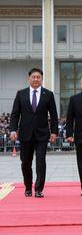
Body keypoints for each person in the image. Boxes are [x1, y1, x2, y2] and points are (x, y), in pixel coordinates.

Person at [9, 68, 58, 198]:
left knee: (41, 161)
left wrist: (54, 132)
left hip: (42, 134)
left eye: (38, 77)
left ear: (41, 79)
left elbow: (53, 115)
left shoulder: (48, 94)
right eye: (33, 77)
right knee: (25, 162)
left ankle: (38, 189)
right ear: (29, 78)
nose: (36, 79)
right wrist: (13, 129)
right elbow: (15, 114)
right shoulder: (21, 94)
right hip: (25, 134)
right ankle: (27, 187)